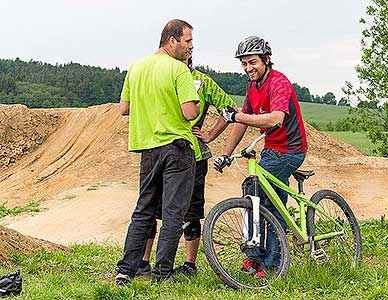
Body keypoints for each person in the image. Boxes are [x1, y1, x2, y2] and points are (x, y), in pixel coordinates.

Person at [214, 36, 308, 278]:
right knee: (258, 194)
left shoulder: (278, 82)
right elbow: (242, 121)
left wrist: (238, 116)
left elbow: (275, 118)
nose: (248, 68)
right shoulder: (252, 86)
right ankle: (257, 258)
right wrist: (225, 154)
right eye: (244, 64)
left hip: (290, 151)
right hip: (271, 148)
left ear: (266, 60)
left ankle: (270, 264)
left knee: (261, 196)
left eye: (252, 62)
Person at [114, 19, 200, 285]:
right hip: (177, 148)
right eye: (187, 42)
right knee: (174, 213)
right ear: (171, 40)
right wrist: (189, 99)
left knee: (144, 210)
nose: (190, 48)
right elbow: (190, 113)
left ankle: (125, 271)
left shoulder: (136, 67)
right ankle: (162, 275)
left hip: (148, 149)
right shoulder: (179, 70)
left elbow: (123, 108)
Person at [135, 56, 237, 278]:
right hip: (158, 148)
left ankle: (189, 265)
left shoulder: (203, 81)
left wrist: (209, 134)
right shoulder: (159, 76)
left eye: (189, 53)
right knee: (151, 208)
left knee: (190, 211)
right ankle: (143, 262)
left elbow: (230, 108)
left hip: (193, 154)